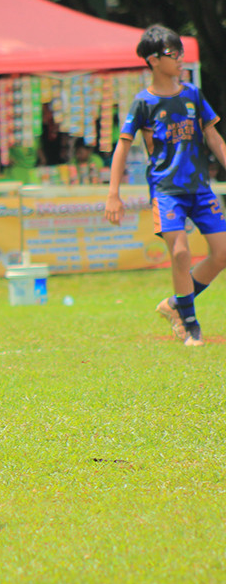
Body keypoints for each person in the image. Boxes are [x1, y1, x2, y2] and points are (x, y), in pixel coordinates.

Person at [105, 24, 226, 347]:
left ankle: (174, 304)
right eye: (173, 53)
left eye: (181, 52)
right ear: (153, 60)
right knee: (181, 253)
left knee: (222, 253)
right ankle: (190, 325)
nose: (180, 59)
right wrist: (113, 194)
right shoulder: (143, 103)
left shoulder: (193, 94)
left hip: (200, 189)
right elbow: (122, 147)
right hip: (166, 191)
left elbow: (214, 137)